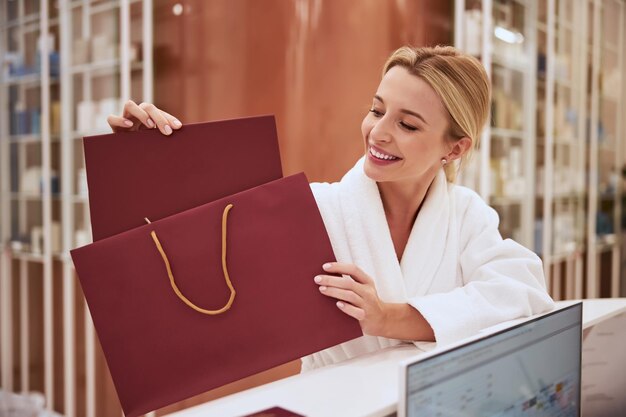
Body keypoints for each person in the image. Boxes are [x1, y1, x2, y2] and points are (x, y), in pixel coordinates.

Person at [107, 45, 554, 371]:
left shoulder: (466, 216)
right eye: (376, 110)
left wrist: (391, 317)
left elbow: (524, 294)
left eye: (407, 123)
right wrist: (145, 164)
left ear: (455, 149)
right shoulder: (316, 209)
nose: (378, 132)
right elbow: (187, 248)